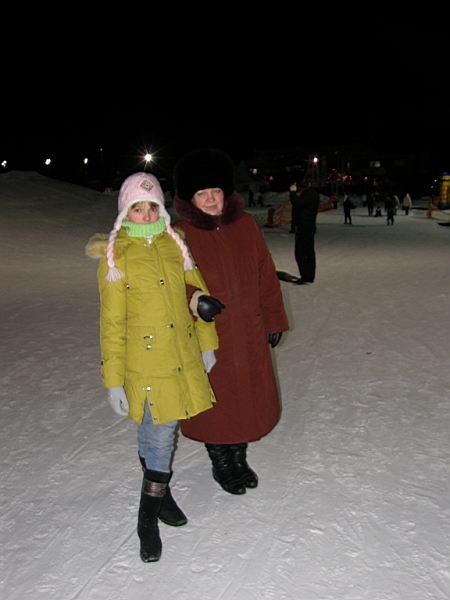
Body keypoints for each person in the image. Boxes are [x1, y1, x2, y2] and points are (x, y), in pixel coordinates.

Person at [86, 172, 224, 563]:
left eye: (152, 208)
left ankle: (158, 499)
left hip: (178, 355)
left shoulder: (174, 244)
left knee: (157, 432)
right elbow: (111, 324)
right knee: (158, 433)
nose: (146, 215)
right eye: (138, 208)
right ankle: (147, 519)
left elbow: (197, 295)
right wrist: (113, 380)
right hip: (142, 361)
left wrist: (207, 344)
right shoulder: (116, 257)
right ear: (125, 212)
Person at [172, 148, 289, 495]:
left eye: (216, 191)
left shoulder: (246, 225)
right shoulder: (178, 236)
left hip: (249, 329)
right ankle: (222, 462)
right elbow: (170, 285)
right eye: (202, 193)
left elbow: (265, 274)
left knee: (246, 398)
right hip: (209, 335)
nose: (211, 199)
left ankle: (238, 457)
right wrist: (195, 300)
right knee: (217, 403)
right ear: (190, 199)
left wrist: (274, 320)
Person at [291, 180, 320, 284]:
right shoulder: (312, 194)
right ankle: (309, 275)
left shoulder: (309, 195)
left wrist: (292, 193)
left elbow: (296, 203)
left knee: (301, 252)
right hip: (309, 226)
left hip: (305, 226)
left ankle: (306, 275)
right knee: (309, 251)